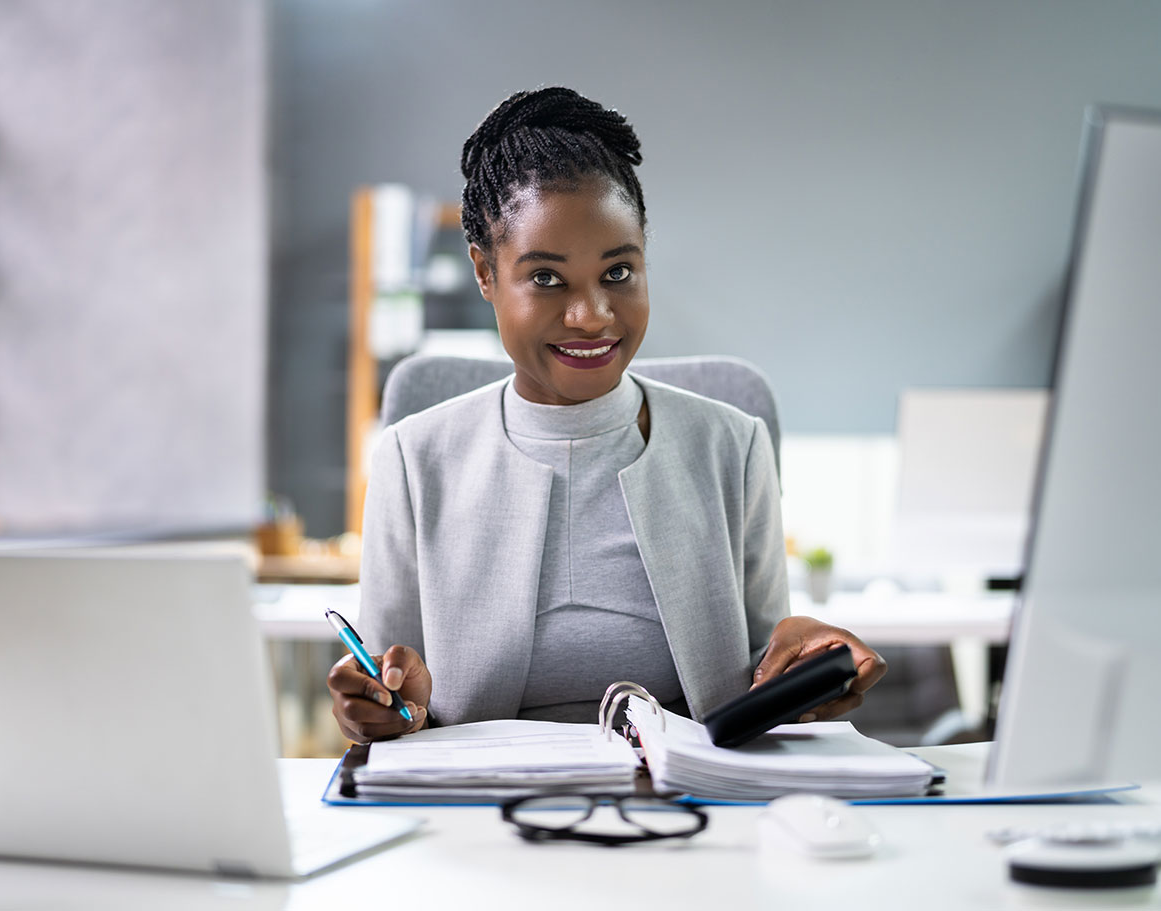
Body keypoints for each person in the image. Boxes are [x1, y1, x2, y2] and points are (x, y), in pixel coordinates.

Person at [328, 86, 886, 743]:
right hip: (480, 816)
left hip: (689, 813)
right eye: (545, 278)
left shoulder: (733, 446)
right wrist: (390, 709)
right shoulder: (411, 456)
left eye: (618, 272)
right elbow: (392, 702)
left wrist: (805, 665)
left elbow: (762, 684)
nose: (591, 314)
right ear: (484, 272)